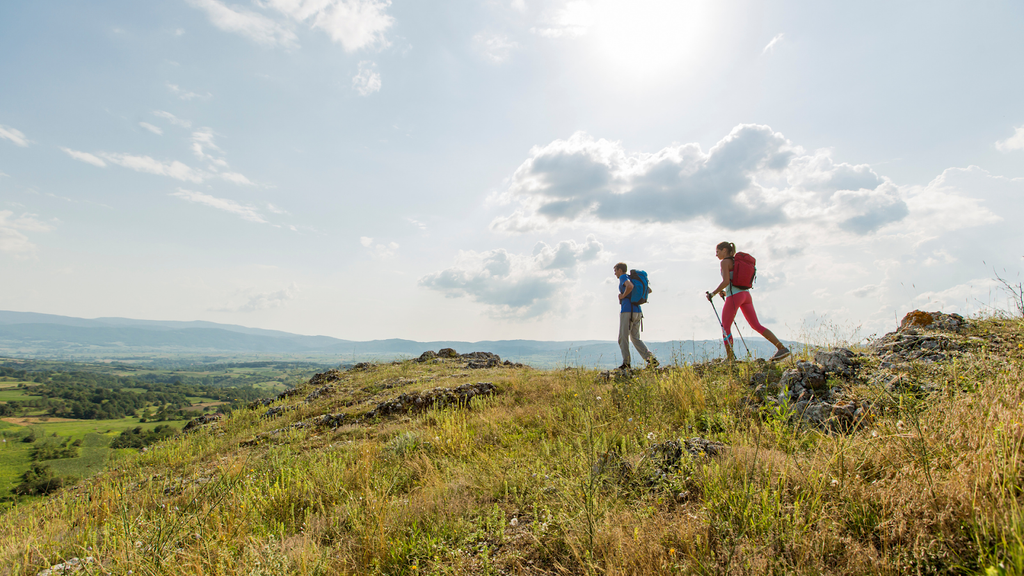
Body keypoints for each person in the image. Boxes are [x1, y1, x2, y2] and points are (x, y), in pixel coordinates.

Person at [707, 242, 790, 361]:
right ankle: (782, 348)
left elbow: (725, 281)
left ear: (724, 250)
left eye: (717, 252)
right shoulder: (736, 262)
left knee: (725, 327)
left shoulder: (725, 262)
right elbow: (734, 281)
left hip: (735, 297)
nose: (716, 255)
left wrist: (712, 294)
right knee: (756, 325)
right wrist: (726, 292)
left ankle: (730, 360)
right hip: (746, 295)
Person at [615, 262, 658, 370]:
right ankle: (651, 360)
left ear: (620, 270)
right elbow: (649, 290)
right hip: (638, 311)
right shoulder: (635, 278)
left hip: (627, 311)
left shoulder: (624, 277)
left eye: (615, 271)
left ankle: (626, 364)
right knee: (635, 338)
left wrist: (622, 296)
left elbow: (629, 286)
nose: (615, 274)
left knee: (622, 338)